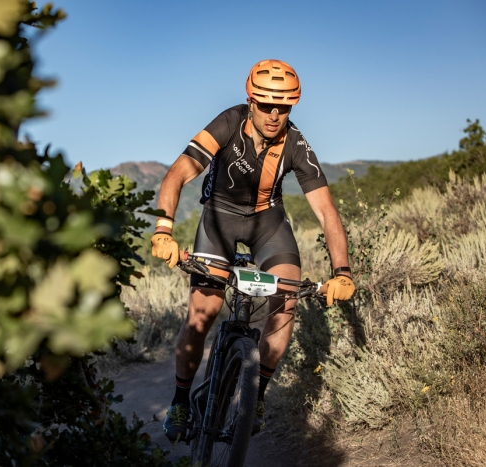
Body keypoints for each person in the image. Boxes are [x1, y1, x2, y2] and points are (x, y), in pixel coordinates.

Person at [150, 59, 355, 441]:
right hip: (219, 220)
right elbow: (177, 174)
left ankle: (255, 394)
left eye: (285, 107)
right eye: (266, 105)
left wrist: (342, 272)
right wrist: (163, 230)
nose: (275, 114)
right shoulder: (228, 122)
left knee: (286, 299)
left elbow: (327, 212)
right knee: (204, 312)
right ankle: (179, 401)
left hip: (268, 223)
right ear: (251, 100)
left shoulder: (296, 144)